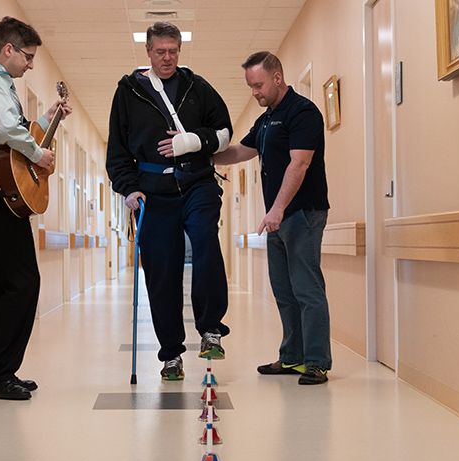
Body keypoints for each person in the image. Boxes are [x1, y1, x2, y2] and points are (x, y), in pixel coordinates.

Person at [106, 21, 233, 381]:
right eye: (160, 51)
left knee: (206, 238)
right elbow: (117, 149)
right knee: (162, 273)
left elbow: (224, 133)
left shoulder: (197, 87)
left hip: (197, 181)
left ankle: (211, 328)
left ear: (180, 50)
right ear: (147, 51)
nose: (167, 58)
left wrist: (192, 141)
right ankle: (171, 354)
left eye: (173, 51)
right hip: (152, 191)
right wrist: (128, 188)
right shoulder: (129, 92)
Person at [0, 16, 71, 400]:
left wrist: (47, 119)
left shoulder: (1, 87)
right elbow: (10, 134)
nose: (31, 64)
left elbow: (12, 128)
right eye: (27, 56)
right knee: (24, 282)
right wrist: (40, 155)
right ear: (7, 49)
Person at [215, 52, 331, 385]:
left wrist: (277, 209)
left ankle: (316, 362)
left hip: (301, 212)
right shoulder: (266, 120)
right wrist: (204, 154)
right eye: (251, 87)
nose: (255, 92)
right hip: (278, 217)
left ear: (277, 77)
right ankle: (292, 357)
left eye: (259, 85)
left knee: (307, 289)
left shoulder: (303, 112)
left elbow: (300, 164)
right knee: (283, 289)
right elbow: (241, 151)